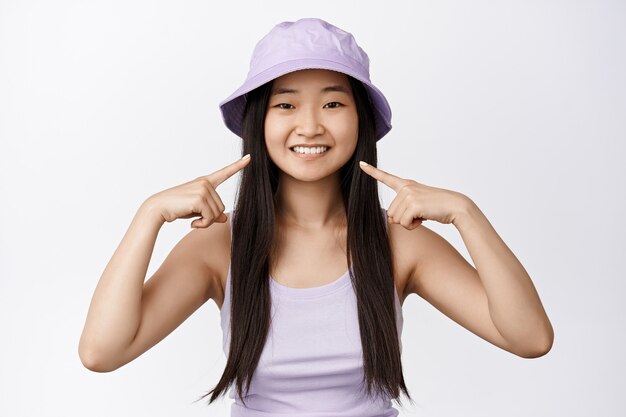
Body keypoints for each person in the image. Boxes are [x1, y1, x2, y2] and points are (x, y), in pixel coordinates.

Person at [78, 17, 554, 416]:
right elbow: (102, 353)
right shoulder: (218, 243)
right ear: (259, 122)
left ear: (360, 120)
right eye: (286, 104)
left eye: (332, 103)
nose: (310, 126)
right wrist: (148, 216)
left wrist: (467, 214)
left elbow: (530, 338)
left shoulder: (399, 242)